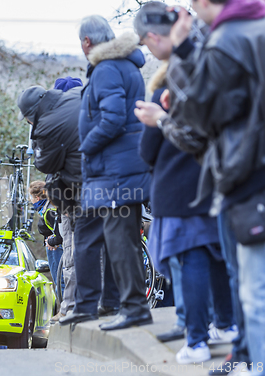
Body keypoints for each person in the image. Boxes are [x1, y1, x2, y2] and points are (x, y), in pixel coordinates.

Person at [135, 0, 265, 370]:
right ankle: (238, 346)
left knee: (248, 286)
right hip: (229, 179)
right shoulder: (244, 32)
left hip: (233, 178)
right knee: (231, 271)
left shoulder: (224, 40)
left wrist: (162, 119)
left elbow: (201, 118)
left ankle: (229, 351)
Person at [61, 16, 152, 330]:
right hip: (108, 174)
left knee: (119, 239)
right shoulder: (121, 66)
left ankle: (132, 307)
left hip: (115, 174)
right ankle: (93, 305)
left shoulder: (108, 68)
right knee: (94, 235)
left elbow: (113, 119)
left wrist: (86, 146)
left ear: (87, 42)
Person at [16, 79, 83, 323]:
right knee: (75, 254)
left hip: (75, 197)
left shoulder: (54, 124)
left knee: (74, 254)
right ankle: (71, 305)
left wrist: (54, 234)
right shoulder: (78, 109)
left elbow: (46, 163)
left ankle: (74, 305)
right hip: (75, 196)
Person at [29, 181, 64, 319]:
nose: (31, 201)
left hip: (56, 247)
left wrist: (52, 240)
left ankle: (63, 310)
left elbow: (59, 230)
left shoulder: (50, 210)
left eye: (31, 198)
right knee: (59, 279)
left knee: (59, 279)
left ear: (37, 198)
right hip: (54, 246)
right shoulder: (47, 207)